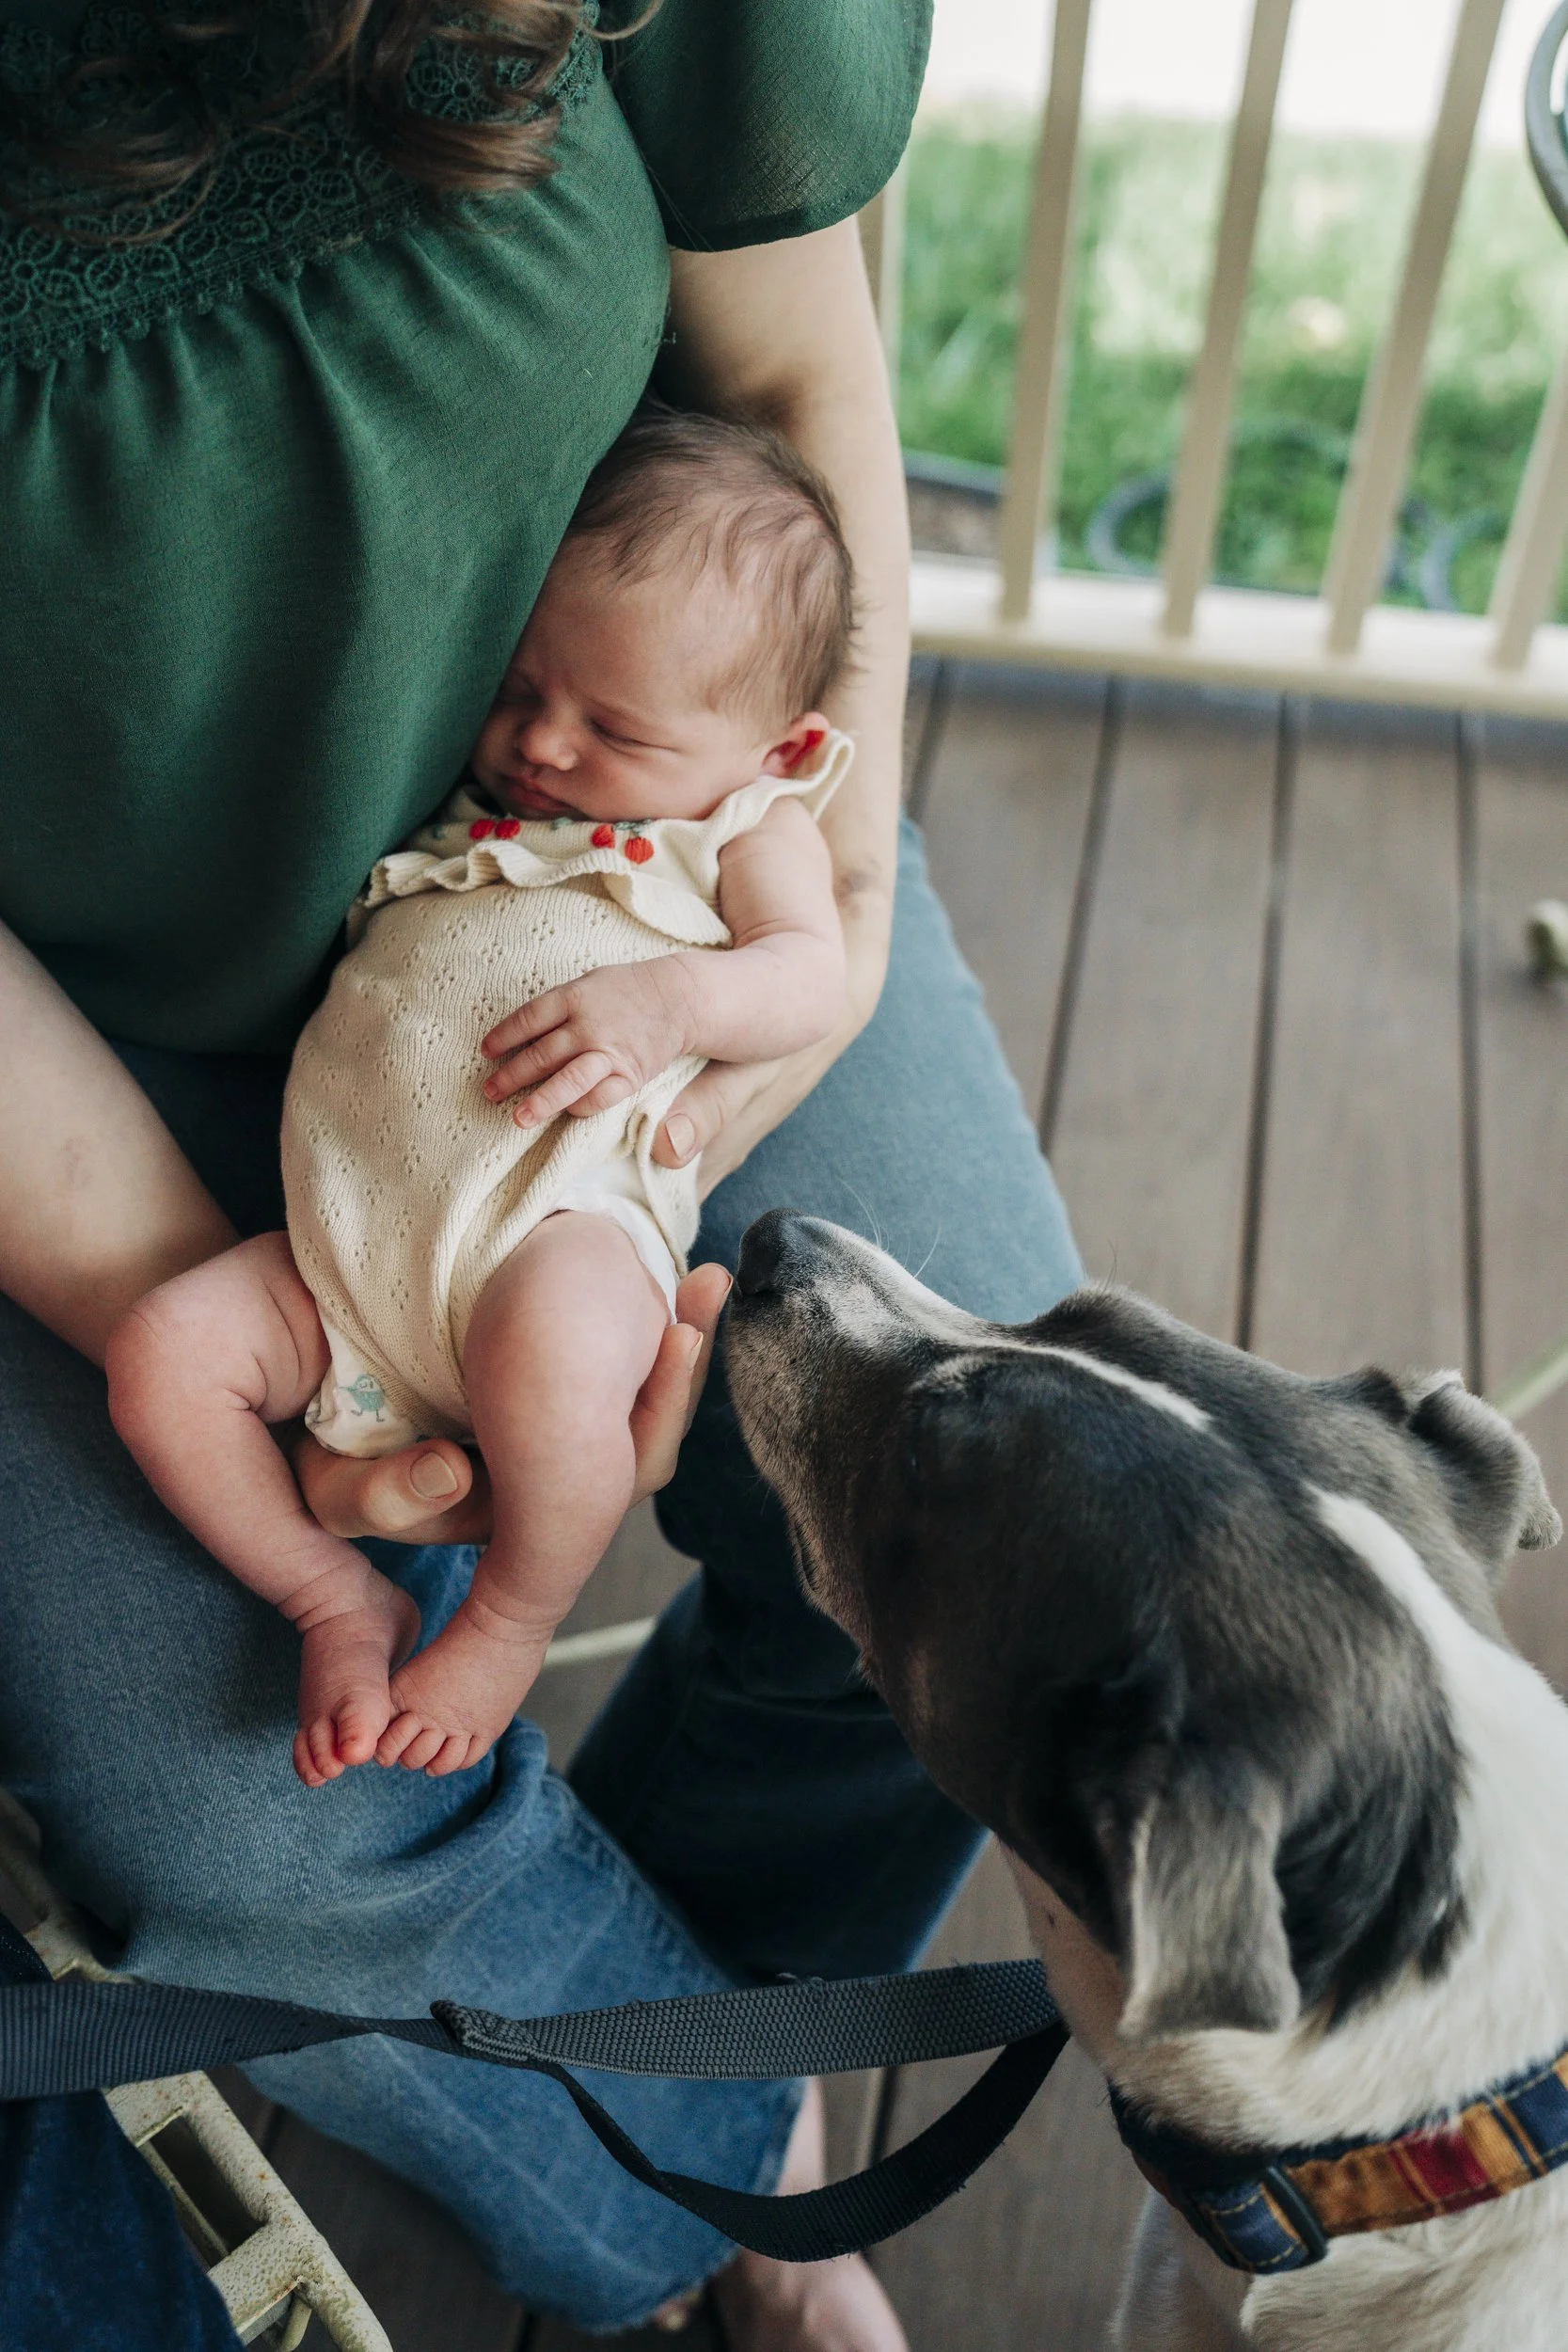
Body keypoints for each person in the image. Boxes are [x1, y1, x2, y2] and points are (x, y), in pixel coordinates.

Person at [0, 2, 1083, 2341]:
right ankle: (691, 2177)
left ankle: (703, 1980)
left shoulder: (719, 787)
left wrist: (715, 1062)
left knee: (971, 1477)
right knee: (242, 1827)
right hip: (86, 1061)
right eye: (543, 712)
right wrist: (276, 1308)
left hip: (626, 985)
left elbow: (792, 399)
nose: (540, 723)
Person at [105, 413, 856, 1788]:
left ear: (777, 747)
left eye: (612, 726)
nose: (543, 746)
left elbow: (812, 976)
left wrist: (674, 1005)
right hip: (344, 1256)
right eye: (523, 687)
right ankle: (331, 1595)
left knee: (561, 1363)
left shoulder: (745, 828)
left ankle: (513, 1617)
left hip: (553, 1226)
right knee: (162, 1356)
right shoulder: (476, 796)